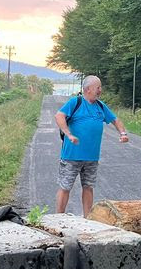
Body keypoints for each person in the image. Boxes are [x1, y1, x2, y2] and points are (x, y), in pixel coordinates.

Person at [53, 75, 128, 216]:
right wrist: (68, 134)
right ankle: (59, 217)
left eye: (100, 87)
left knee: (88, 187)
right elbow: (59, 116)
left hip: (91, 158)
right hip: (71, 156)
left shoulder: (100, 106)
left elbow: (115, 120)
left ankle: (87, 219)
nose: (100, 90)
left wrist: (123, 133)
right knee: (65, 186)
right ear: (88, 89)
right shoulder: (76, 102)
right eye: (98, 87)